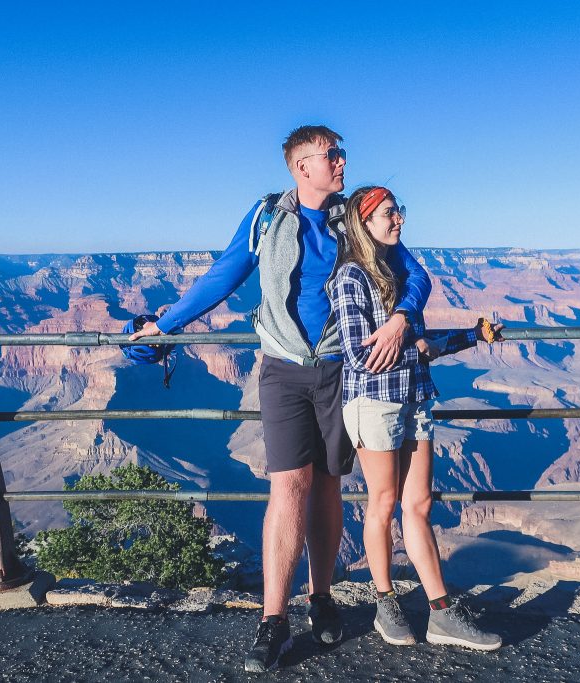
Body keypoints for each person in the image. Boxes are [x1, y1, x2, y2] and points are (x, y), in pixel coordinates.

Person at [127, 126, 432, 672]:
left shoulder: (354, 217)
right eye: (329, 155)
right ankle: (273, 620)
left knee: (329, 483)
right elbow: (222, 277)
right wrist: (164, 328)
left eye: (341, 153)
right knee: (289, 482)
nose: (340, 162)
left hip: (345, 369)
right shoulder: (267, 218)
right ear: (299, 166)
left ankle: (321, 597)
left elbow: (414, 275)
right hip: (283, 371)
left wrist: (402, 318)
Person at [331, 185, 505, 651]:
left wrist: (472, 335)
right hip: (376, 402)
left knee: (419, 505)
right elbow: (358, 354)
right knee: (383, 503)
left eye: (399, 212)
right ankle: (385, 603)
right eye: (390, 213)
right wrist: (412, 342)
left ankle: (442, 613)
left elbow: (419, 343)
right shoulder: (350, 277)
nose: (399, 220)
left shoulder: (399, 272)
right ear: (365, 223)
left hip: (414, 398)